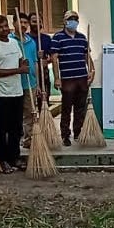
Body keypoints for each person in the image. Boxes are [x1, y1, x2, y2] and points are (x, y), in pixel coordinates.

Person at [0, 14, 27, 172]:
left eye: (5, 26)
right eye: (0, 27)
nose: (4, 29)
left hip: (17, 92)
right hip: (1, 94)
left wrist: (24, 64)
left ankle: (14, 157)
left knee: (16, 128)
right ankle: (2, 160)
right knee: (1, 130)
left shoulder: (15, 43)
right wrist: (19, 69)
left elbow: (21, 61)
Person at [49, 10, 94, 146]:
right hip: (67, 79)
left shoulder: (82, 38)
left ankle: (78, 132)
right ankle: (65, 135)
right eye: (70, 19)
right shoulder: (58, 37)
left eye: (75, 19)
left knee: (80, 108)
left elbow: (87, 56)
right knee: (67, 108)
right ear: (65, 21)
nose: (73, 21)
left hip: (82, 77)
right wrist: (57, 78)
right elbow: (54, 58)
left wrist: (92, 70)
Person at [15, 13, 43, 148]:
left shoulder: (31, 42)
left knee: (30, 113)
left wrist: (37, 83)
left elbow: (36, 62)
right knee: (15, 114)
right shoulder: (10, 40)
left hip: (30, 82)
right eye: (20, 22)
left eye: (25, 23)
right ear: (14, 24)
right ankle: (15, 140)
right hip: (14, 84)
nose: (23, 25)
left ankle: (28, 140)